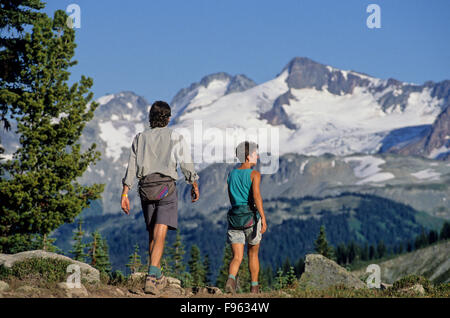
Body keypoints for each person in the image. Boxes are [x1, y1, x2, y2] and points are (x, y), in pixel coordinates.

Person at [121, 100, 199, 295]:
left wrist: (125, 192)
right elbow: (186, 164)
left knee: (152, 233)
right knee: (160, 232)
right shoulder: (175, 137)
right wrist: (194, 183)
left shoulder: (140, 138)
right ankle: (151, 276)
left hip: (146, 187)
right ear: (169, 118)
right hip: (165, 188)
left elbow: (131, 166)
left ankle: (158, 276)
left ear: (150, 118)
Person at [225, 141, 267, 294]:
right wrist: (263, 218)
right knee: (253, 253)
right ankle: (254, 288)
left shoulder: (231, 174)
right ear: (248, 156)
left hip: (235, 218)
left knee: (237, 256)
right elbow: (256, 197)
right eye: (256, 154)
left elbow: (231, 197)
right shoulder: (254, 174)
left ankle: (231, 279)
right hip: (250, 218)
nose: (258, 156)